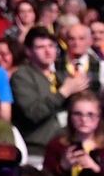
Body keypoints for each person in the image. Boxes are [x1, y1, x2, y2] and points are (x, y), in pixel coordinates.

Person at [11, 27, 90, 159]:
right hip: (36, 150)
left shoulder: (60, 76)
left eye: (51, 46)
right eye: (40, 47)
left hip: (64, 148)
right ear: (29, 51)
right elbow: (33, 113)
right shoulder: (22, 75)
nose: (48, 51)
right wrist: (65, 91)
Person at [42, 90, 104, 176]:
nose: (84, 119)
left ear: (99, 118)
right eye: (78, 114)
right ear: (70, 116)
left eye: (90, 114)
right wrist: (62, 167)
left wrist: (96, 168)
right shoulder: (56, 145)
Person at [58, 23, 103, 94]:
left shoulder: (101, 66)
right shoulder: (54, 64)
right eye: (72, 39)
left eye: (81, 38)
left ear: (90, 41)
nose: (76, 43)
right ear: (66, 41)